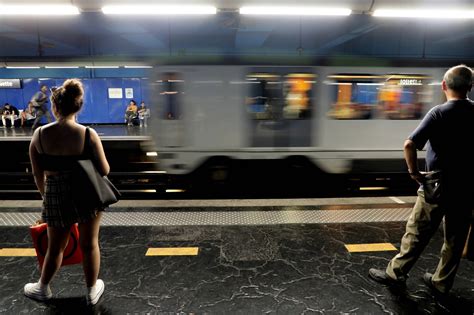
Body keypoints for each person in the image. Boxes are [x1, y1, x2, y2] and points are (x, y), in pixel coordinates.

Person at [368, 65, 474, 295]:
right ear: (470, 87)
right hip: (467, 185)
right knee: (455, 238)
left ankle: (396, 274)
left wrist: (414, 172)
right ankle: (441, 282)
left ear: (444, 86)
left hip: (437, 184)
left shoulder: (439, 112)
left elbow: (410, 144)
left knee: (417, 231)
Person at [24, 79, 110, 305]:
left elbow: (36, 173)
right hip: (86, 193)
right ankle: (92, 291)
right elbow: (104, 169)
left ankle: (42, 288)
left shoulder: (40, 134)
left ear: (54, 107)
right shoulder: (88, 134)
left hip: (55, 192)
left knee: (55, 247)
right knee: (89, 243)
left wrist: (46, 196)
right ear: (78, 106)